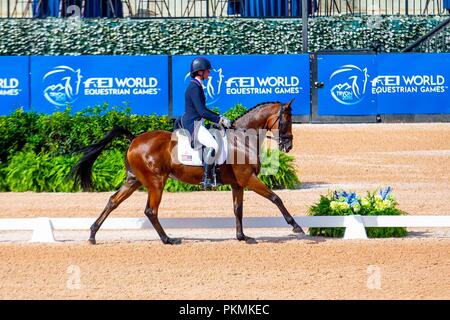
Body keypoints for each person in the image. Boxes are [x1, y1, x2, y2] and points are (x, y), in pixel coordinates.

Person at [180, 57, 232, 189]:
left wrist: (219, 117)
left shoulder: (197, 86)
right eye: (207, 71)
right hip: (193, 124)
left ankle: (214, 174)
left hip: (198, 122)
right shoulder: (194, 87)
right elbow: (202, 111)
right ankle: (206, 178)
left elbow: (203, 110)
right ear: (200, 72)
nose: (209, 73)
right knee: (213, 145)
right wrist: (220, 120)